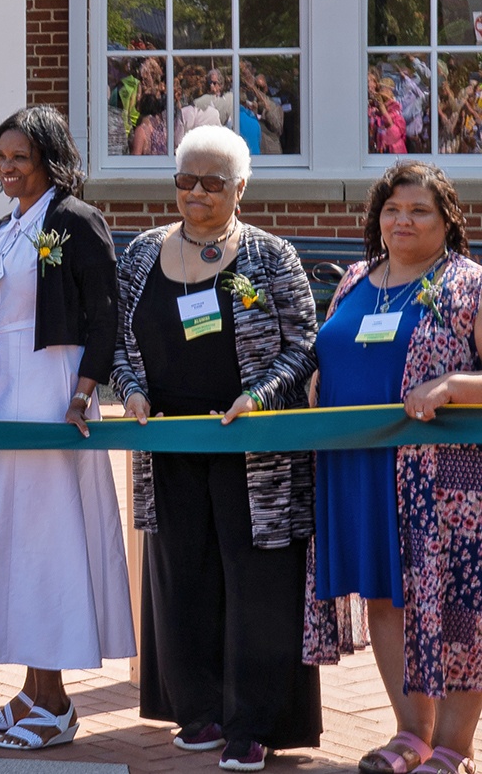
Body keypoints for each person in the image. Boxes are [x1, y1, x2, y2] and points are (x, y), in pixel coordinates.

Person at [110, 126, 321, 771]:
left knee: (257, 581)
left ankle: (255, 722)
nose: (195, 193)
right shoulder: (143, 252)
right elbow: (117, 340)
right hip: (169, 447)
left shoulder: (272, 255)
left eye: (212, 183)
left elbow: (304, 341)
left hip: (253, 451)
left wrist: (259, 395)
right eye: (184, 180)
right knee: (184, 575)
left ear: (241, 187)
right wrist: (132, 390)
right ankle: (197, 710)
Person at [0, 106, 133, 751]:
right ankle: (31, 688)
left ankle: (57, 702)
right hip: (1, 393)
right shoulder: (5, 229)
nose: (6, 169)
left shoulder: (76, 221)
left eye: (19, 158)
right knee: (7, 535)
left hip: (49, 390)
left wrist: (85, 393)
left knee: (46, 539)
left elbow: (105, 312)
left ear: (48, 159)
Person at [305, 162, 482, 774]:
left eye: (419, 211)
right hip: (358, 468)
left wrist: (455, 384)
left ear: (447, 220)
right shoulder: (356, 278)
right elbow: (331, 352)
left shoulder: (469, 284)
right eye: (392, 210)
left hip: (442, 479)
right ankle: (411, 735)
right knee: (385, 595)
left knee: (456, 602)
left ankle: (453, 748)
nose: (402, 220)